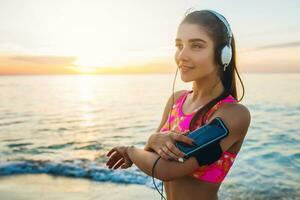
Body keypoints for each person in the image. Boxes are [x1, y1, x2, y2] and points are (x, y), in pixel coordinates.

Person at [106, 9, 251, 200]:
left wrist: (130, 151)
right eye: (179, 45)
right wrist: (151, 140)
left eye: (196, 46)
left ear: (223, 54)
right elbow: (151, 154)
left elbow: (167, 169)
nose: (182, 55)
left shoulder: (233, 114)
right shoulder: (176, 100)